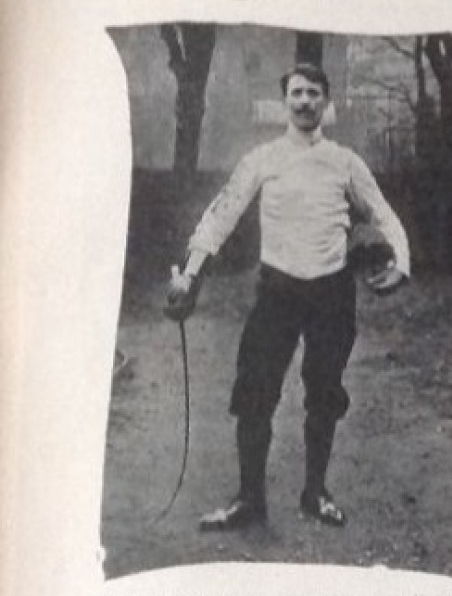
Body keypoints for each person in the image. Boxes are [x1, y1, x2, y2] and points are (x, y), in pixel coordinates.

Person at [165, 63, 410, 531]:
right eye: (296, 93)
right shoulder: (262, 158)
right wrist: (190, 274)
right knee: (255, 392)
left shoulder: (344, 161)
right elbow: (221, 215)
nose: (304, 102)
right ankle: (249, 500)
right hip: (277, 289)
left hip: (331, 292)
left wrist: (402, 263)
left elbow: (382, 211)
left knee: (324, 393)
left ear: (326, 102)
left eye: (313, 93)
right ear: (285, 102)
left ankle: (315, 492)